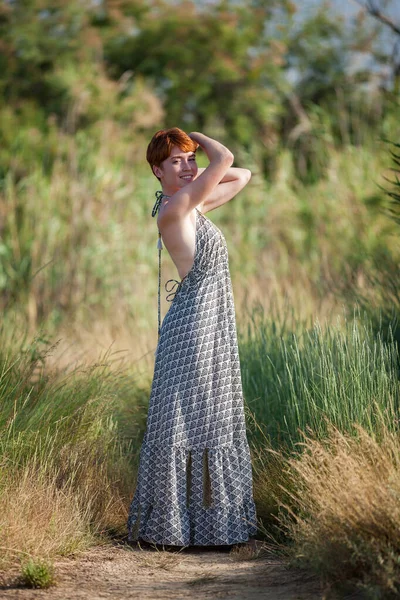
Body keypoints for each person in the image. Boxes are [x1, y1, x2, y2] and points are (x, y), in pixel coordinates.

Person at [127, 127, 258, 548]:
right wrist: (199, 140)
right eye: (176, 161)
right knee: (189, 419)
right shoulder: (175, 208)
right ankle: (169, 529)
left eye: (189, 159)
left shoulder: (192, 205)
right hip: (193, 328)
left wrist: (194, 161)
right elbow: (226, 159)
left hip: (209, 320)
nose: (187, 166)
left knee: (209, 414)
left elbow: (243, 175)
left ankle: (212, 528)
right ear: (156, 170)